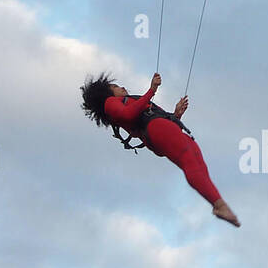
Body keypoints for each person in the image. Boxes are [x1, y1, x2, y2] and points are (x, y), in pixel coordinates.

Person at [81, 71, 239, 225]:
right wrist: (152, 90)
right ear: (106, 94)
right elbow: (128, 114)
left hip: (164, 129)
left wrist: (176, 115)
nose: (121, 87)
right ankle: (219, 205)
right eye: (115, 86)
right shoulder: (110, 103)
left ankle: (217, 202)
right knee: (189, 160)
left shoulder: (131, 101)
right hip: (156, 129)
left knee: (198, 162)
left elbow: (155, 118)